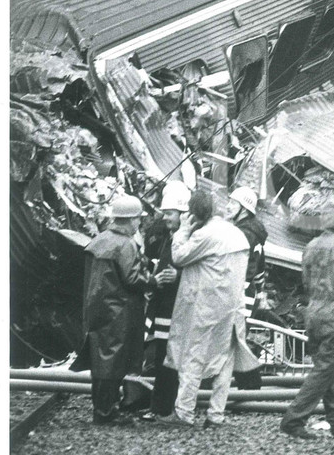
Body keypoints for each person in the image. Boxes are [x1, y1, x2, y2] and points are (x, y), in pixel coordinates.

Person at [157, 190, 251, 428]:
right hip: (232, 307)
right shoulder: (237, 233)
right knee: (225, 361)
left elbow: (178, 257)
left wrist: (183, 231)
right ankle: (216, 414)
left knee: (193, 355)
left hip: (206, 306)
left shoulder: (205, 235)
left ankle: (184, 412)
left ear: (193, 213)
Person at [280, 201, 334, 439]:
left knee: (329, 367)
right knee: (324, 368)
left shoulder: (311, 246)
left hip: (312, 310)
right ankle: (294, 419)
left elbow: (305, 282)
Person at [73, 194, 158, 424]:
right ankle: (106, 413)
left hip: (98, 308)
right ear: (130, 220)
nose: (139, 223)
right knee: (113, 361)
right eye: (138, 219)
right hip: (120, 310)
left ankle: (101, 409)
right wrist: (153, 280)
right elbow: (133, 278)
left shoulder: (100, 240)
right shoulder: (125, 244)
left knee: (101, 360)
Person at [141, 181, 190, 421]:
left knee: (169, 358)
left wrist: (178, 276)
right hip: (164, 306)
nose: (165, 218)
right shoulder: (169, 236)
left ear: (183, 213)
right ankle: (160, 407)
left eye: (169, 213)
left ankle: (164, 408)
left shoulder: (189, 239)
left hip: (176, 308)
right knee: (162, 357)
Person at [223, 186, 267, 391]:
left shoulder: (242, 233)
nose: (228, 206)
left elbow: (240, 268)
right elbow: (261, 269)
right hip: (248, 291)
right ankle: (249, 385)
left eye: (233, 203)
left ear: (244, 209)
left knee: (234, 339)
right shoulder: (254, 232)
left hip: (240, 290)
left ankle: (250, 385)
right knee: (236, 339)